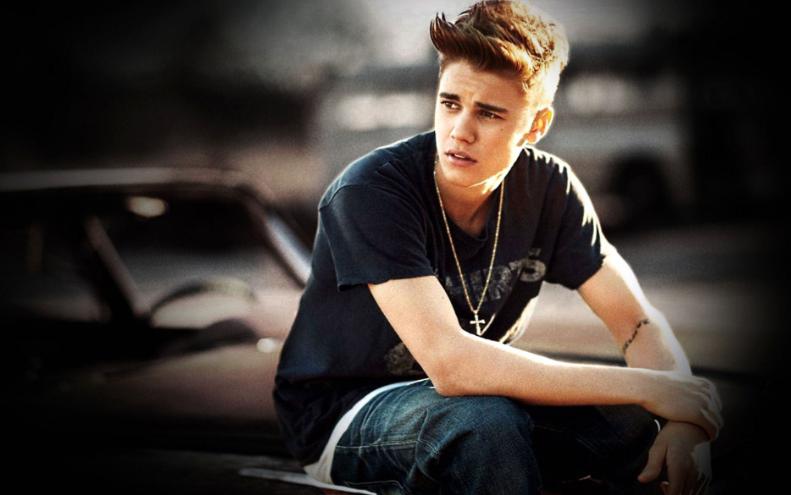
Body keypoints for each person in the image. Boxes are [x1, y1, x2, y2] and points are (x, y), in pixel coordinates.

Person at [273, 1, 723, 494]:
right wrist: (657, 388)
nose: (460, 131)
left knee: (634, 422)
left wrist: (683, 421)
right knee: (484, 425)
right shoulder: (372, 191)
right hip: (344, 412)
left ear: (536, 126)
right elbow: (452, 366)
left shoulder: (550, 189)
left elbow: (637, 323)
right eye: (450, 104)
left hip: (478, 395)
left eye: (488, 113)